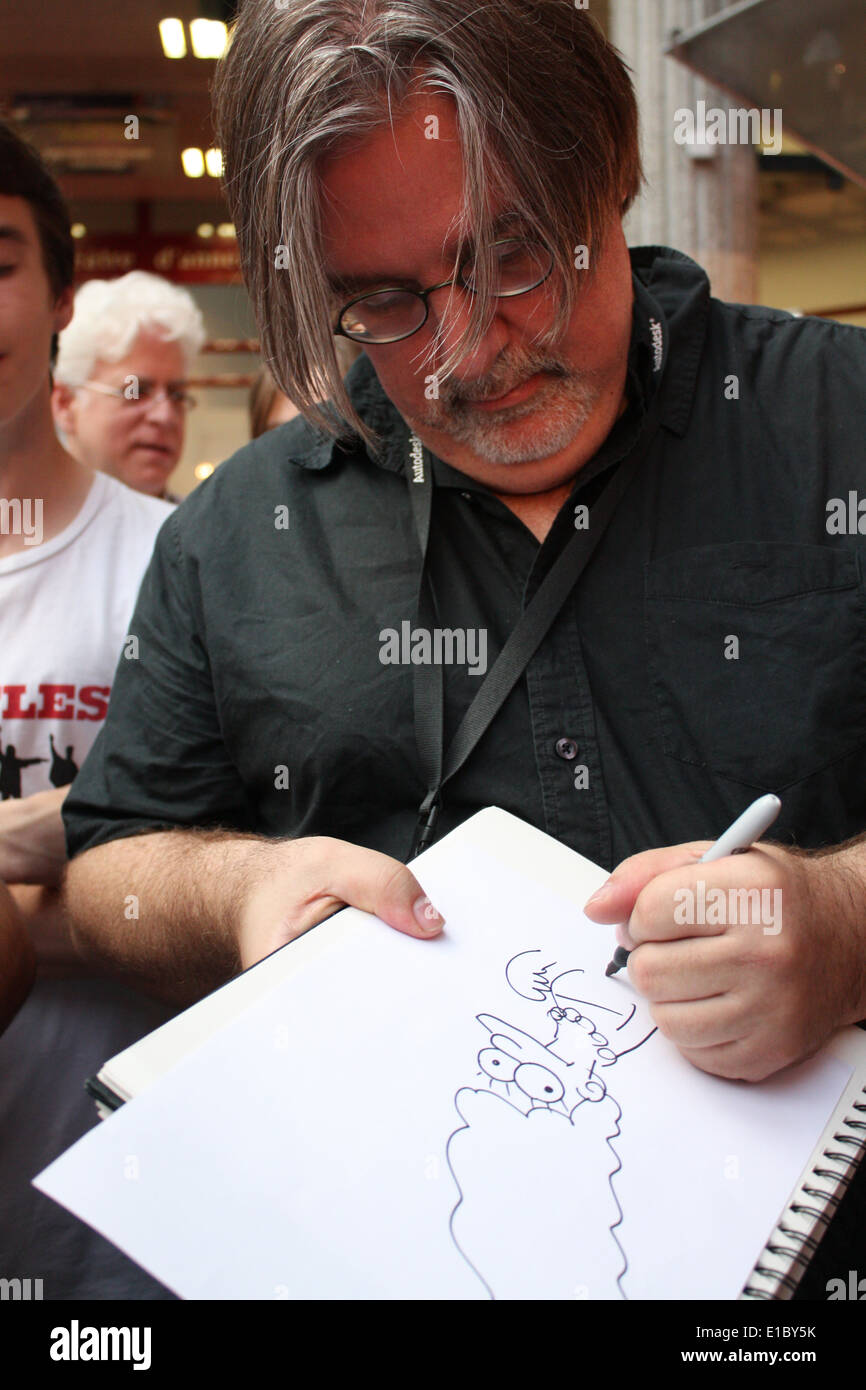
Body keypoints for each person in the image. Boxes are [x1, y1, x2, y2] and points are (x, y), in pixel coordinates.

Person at [61, 0, 866, 1291]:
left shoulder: (839, 429)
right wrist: (239, 894)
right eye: (379, 304)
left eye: (510, 256)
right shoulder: (233, 533)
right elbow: (107, 862)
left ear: (612, 170)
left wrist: (841, 923)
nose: (462, 354)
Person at [0, 119, 178, 1298]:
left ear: (62, 293)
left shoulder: (174, 559)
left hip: (99, 1182)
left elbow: (191, 818)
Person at [52, 270, 205, 502]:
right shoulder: (20, 531)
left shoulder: (209, 535)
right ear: (65, 403)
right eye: (136, 392)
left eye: (177, 395)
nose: (164, 416)